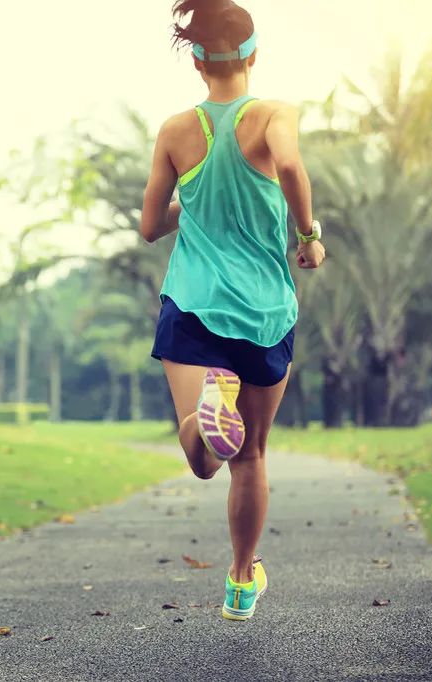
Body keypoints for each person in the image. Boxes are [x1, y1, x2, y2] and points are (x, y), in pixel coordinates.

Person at [140, 0, 325, 621]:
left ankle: (207, 409)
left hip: (193, 304)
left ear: (196, 62)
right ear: (252, 54)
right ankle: (243, 581)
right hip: (264, 311)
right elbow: (293, 166)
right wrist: (308, 235)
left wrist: (189, 205)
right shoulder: (274, 114)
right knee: (251, 456)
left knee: (202, 457)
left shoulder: (174, 131)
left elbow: (148, 227)